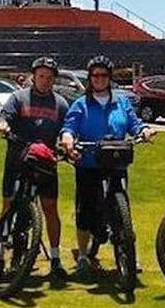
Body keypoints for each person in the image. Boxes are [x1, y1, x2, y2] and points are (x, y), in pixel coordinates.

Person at [59, 55, 157, 277]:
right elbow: (69, 127)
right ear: (90, 78)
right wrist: (67, 139)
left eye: (104, 75)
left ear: (109, 78)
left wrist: (145, 131)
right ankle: (83, 254)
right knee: (85, 209)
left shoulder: (121, 102)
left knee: (123, 210)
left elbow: (134, 123)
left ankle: (129, 253)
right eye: (95, 75)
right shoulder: (81, 104)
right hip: (89, 163)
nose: (99, 79)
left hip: (116, 162)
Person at [0, 56, 70, 279]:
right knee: (8, 207)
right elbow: (5, 117)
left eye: (49, 77)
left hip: (46, 162)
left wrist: (67, 143)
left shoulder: (60, 103)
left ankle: (55, 258)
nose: (45, 81)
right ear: (33, 76)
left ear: (54, 80)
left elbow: (67, 128)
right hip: (18, 160)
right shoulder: (18, 97)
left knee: (50, 208)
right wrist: (2, 125)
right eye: (41, 76)